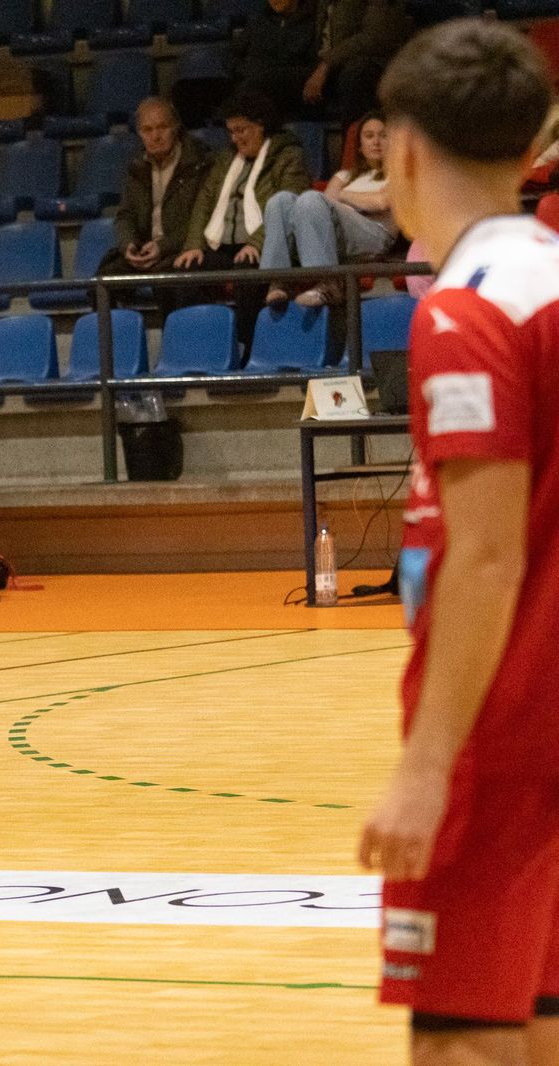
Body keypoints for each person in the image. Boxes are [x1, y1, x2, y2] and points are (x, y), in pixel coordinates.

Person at [355, 19, 559, 1065]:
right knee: (530, 1025)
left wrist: (428, 767)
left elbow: (485, 555)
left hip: (503, 728)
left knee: (463, 1041)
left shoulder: (465, 313)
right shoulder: (552, 276)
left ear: (402, 150)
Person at [176, 90, 313, 350]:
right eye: (231, 132)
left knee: (248, 276)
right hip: (222, 244)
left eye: (242, 130)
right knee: (185, 274)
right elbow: (206, 201)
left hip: (266, 247)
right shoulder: (227, 158)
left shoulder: (287, 156)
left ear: (261, 125)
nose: (235, 138)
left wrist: (257, 243)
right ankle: (198, 350)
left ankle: (250, 350)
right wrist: (193, 244)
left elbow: (289, 204)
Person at [261, 111, 398, 307]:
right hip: (339, 234)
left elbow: (381, 203)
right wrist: (354, 203)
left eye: (383, 135)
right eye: (369, 136)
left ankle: (328, 283)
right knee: (280, 201)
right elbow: (322, 206)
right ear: (359, 146)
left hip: (376, 234)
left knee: (310, 198)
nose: (376, 141)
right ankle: (280, 279)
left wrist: (343, 197)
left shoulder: (400, 173)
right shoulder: (344, 175)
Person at [98, 97, 212, 313]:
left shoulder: (199, 162)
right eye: (147, 130)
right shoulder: (137, 166)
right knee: (102, 283)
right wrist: (128, 244)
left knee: (167, 279)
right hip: (146, 249)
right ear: (139, 133)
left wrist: (163, 246)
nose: (155, 136)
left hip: (181, 248)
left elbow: (202, 219)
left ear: (176, 128)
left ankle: (172, 342)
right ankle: (113, 345)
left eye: (162, 127)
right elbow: (125, 216)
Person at [305, 0, 414, 124]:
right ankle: (284, 141)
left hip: (374, 64)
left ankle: (353, 140)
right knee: (282, 78)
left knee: (355, 74)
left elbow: (374, 37)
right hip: (329, 66)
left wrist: (326, 64)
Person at [232, 0, 322, 121]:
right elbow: (232, 54)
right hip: (255, 82)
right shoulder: (260, 20)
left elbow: (315, 64)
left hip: (293, 89)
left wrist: (264, 75)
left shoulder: (314, 22)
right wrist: (246, 70)